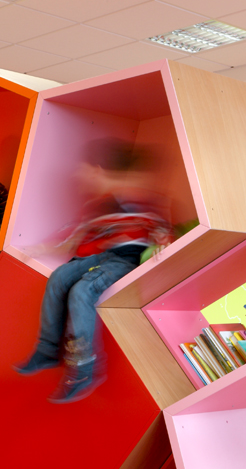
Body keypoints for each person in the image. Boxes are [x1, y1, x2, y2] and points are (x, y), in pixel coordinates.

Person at [15, 138, 172, 404]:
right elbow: (76, 233)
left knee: (83, 290)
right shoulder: (102, 206)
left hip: (127, 260)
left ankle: (84, 369)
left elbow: (161, 230)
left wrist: (162, 246)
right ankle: (47, 349)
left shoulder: (144, 203)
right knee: (59, 276)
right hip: (103, 256)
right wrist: (43, 247)